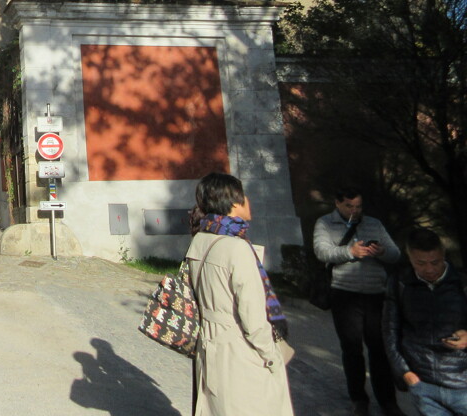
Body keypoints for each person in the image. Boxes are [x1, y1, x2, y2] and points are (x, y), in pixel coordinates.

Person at [186, 172, 294, 416]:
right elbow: (252, 315)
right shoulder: (237, 248)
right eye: (244, 196)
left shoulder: (201, 240)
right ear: (234, 203)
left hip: (210, 344)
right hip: (239, 349)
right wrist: (271, 356)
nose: (248, 201)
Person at [314, 186, 402, 416]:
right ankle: (358, 399)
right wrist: (350, 252)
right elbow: (322, 252)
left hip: (375, 292)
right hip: (344, 292)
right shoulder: (325, 223)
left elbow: (396, 254)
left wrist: (381, 251)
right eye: (349, 206)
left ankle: (388, 401)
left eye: (358, 206)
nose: (354, 210)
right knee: (352, 349)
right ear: (337, 203)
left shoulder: (374, 223)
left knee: (379, 349)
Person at [383, 228, 467, 416]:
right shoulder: (400, 284)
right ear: (409, 256)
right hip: (423, 384)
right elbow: (390, 331)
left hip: (462, 383)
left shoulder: (462, 282)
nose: (429, 269)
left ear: (443, 254)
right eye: (420, 263)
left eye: (435, 262)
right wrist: (405, 373)